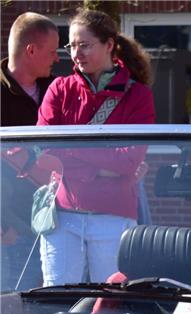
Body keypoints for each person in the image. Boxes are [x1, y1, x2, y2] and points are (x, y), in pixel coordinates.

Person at [36, 8, 155, 286]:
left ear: (109, 45)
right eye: (72, 45)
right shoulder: (59, 89)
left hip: (113, 216)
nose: (76, 53)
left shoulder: (138, 96)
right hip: (61, 217)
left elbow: (128, 161)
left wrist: (69, 147)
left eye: (85, 45)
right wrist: (101, 168)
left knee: (110, 304)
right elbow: (43, 151)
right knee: (56, 300)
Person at [1, 13, 59, 291]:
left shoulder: (57, 90)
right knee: (10, 304)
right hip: (11, 228)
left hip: (53, 221)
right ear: (31, 50)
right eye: (51, 52)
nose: (57, 59)